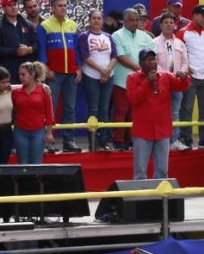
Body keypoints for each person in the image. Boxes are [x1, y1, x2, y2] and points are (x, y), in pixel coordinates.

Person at [126, 48, 190, 180]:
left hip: (163, 131)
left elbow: (181, 86)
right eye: (149, 60)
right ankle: (140, 194)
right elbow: (133, 99)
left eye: (154, 59)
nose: (153, 62)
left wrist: (184, 78)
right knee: (140, 173)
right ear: (141, 63)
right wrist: (147, 81)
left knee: (162, 172)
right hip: (142, 132)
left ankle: (160, 194)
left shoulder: (166, 76)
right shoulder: (132, 77)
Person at [37, 0, 82, 153]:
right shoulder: (45, 26)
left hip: (71, 73)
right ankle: (47, 142)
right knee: (50, 108)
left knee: (70, 108)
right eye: (59, 5)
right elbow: (41, 49)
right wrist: (46, 68)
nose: (63, 8)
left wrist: (78, 68)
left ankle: (69, 141)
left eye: (64, 5)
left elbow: (76, 50)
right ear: (52, 8)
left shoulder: (73, 25)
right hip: (53, 74)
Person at [177, 4, 204, 148]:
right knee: (187, 108)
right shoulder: (183, 33)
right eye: (203, 16)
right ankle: (186, 138)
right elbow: (178, 54)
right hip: (190, 77)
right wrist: (185, 68)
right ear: (195, 15)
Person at [111, 8, 154, 150]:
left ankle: (131, 139)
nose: (135, 22)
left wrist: (145, 70)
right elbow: (121, 57)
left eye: (137, 20)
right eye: (131, 20)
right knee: (121, 110)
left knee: (135, 112)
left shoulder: (146, 37)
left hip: (140, 81)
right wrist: (140, 69)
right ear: (124, 21)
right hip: (121, 81)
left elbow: (152, 57)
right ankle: (118, 140)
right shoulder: (117, 35)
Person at [79, 10, 117, 151]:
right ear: (89, 20)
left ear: (102, 21)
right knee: (93, 108)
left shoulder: (108, 37)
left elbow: (114, 56)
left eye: (99, 18)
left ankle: (104, 141)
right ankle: (93, 142)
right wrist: (102, 70)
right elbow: (85, 57)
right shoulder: (84, 36)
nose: (96, 20)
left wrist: (107, 71)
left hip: (108, 76)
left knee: (104, 109)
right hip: (91, 76)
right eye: (94, 18)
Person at [153, 12, 190, 151]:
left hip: (177, 83)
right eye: (166, 22)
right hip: (161, 83)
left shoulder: (180, 43)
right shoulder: (153, 43)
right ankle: (160, 140)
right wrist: (164, 76)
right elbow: (153, 63)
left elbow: (185, 62)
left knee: (175, 113)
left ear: (174, 25)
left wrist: (183, 73)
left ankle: (174, 140)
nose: (169, 25)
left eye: (171, 22)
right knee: (160, 113)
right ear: (161, 25)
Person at [0, 0, 38, 84]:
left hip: (28, 73)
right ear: (3, 8)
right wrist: (14, 51)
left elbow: (37, 44)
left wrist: (29, 49)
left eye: (15, 4)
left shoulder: (27, 24)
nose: (13, 7)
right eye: (9, 5)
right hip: (7, 73)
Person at [12, 61, 54, 164]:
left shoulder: (44, 91)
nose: (21, 77)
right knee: (23, 162)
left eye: (23, 74)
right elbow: (4, 86)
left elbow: (49, 113)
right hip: (20, 131)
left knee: (36, 162)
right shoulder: (15, 92)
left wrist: (49, 133)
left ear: (32, 75)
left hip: (38, 131)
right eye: (19, 75)